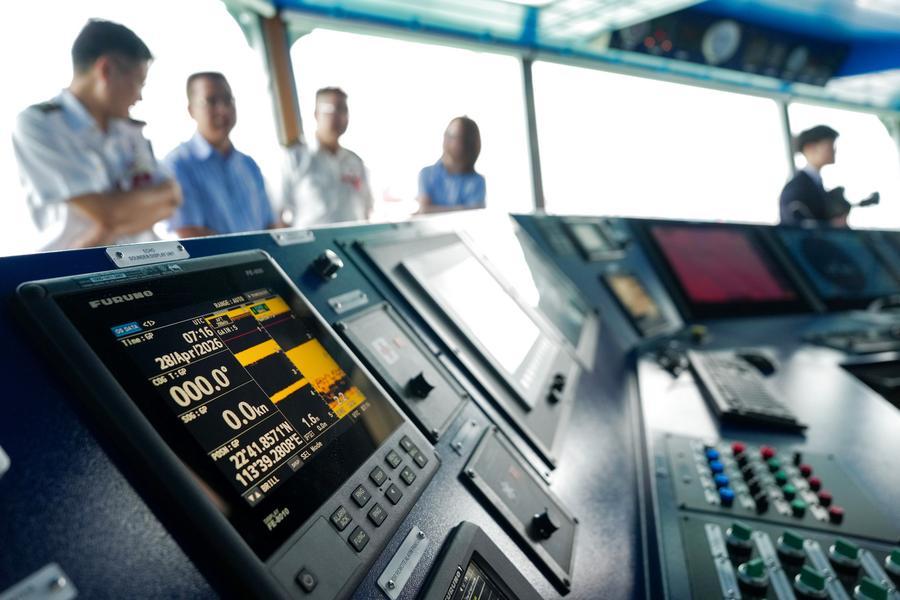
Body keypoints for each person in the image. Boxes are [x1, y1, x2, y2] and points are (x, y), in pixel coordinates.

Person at [12, 19, 181, 250]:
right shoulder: (40, 124)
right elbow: (110, 213)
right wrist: (126, 213)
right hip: (79, 268)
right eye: (138, 83)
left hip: (144, 259)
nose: (139, 97)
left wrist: (111, 226)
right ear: (106, 69)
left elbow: (172, 198)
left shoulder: (128, 130)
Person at [164, 72, 276, 238]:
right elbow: (188, 234)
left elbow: (271, 226)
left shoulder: (249, 164)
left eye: (228, 100)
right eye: (211, 101)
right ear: (191, 110)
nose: (222, 110)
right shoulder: (177, 165)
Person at [281, 87, 373, 227]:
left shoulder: (355, 161)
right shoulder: (295, 158)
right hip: (310, 240)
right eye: (330, 109)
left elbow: (367, 208)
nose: (337, 116)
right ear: (316, 114)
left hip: (352, 238)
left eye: (343, 110)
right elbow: (280, 215)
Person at [779, 125, 850, 227]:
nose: (834, 150)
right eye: (830, 145)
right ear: (810, 148)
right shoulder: (797, 187)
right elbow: (796, 225)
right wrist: (830, 226)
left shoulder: (814, 183)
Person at [417, 116, 485, 213]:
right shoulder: (427, 174)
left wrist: (433, 209)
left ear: (469, 143)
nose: (447, 139)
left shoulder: (477, 181)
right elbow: (424, 210)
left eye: (456, 136)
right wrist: (464, 209)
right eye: (448, 134)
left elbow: (475, 214)